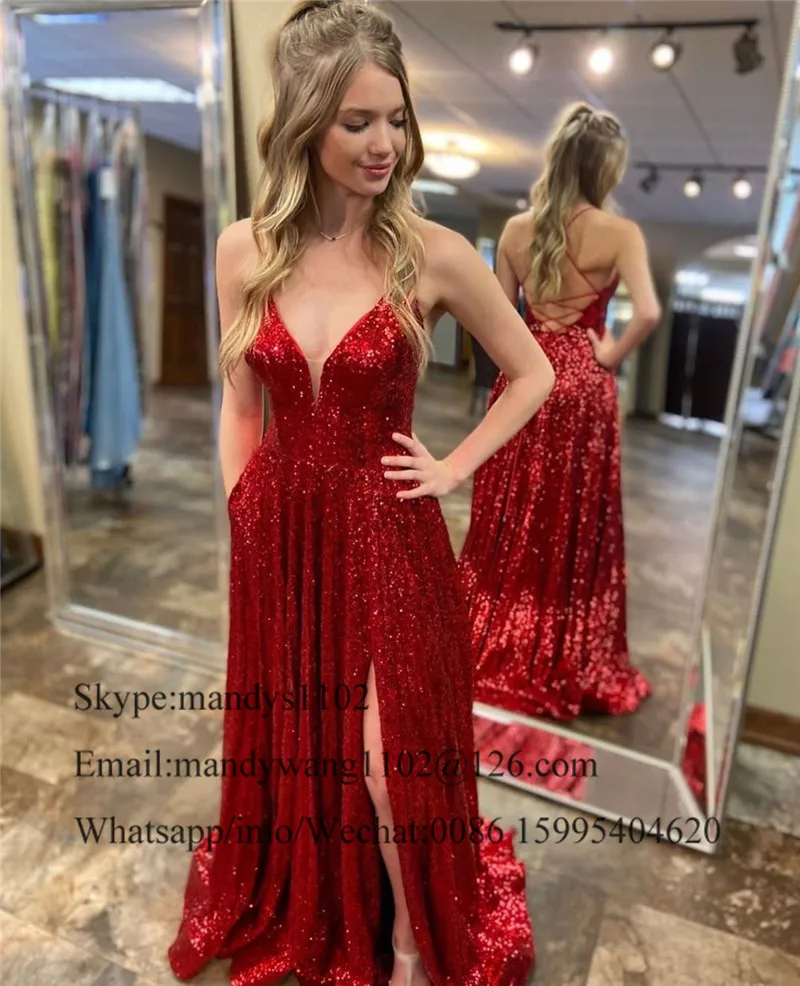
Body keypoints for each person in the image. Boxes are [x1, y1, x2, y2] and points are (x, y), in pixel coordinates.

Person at [167, 3, 555, 985]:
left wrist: (453, 466)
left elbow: (533, 372)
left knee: (387, 764)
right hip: (282, 537)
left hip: (390, 537)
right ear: (306, 122)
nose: (385, 143)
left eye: (396, 118)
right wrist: (242, 510)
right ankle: (323, 904)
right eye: (357, 122)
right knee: (308, 746)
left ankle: (411, 946)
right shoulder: (243, 249)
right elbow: (240, 405)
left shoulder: (432, 252)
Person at [457, 101, 662, 723]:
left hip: (526, 376)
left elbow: (494, 320)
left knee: (512, 510)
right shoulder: (620, 233)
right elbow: (649, 311)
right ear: (606, 169)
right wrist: (610, 354)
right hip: (584, 386)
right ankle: (558, 641)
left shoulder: (515, 231)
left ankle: (496, 627)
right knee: (570, 515)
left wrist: (527, 349)